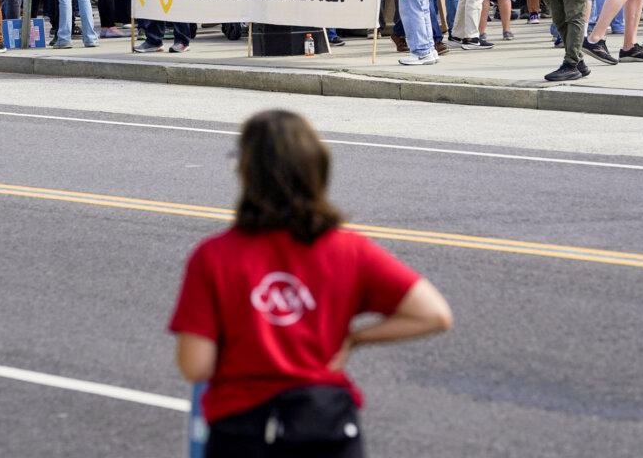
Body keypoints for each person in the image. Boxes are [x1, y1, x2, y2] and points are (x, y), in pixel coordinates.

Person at [169, 110, 452, 458]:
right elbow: (434, 314)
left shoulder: (213, 256)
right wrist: (354, 338)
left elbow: (195, 365)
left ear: (246, 172)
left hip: (242, 426)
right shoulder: (350, 251)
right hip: (324, 424)